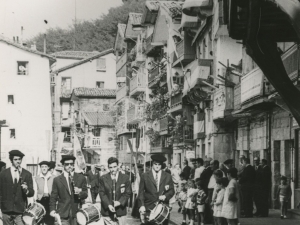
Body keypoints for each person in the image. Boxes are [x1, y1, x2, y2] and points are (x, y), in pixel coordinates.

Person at [49, 155, 88, 225]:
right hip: (63, 213)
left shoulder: (81, 177)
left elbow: (85, 194)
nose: (69, 166)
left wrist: (80, 192)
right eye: (67, 164)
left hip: (77, 213)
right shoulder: (57, 180)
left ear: (74, 164)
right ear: (63, 165)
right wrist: (52, 210)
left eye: (71, 164)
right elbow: (53, 197)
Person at [0, 150, 34, 225]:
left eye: (19, 159)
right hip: (6, 210)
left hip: (20, 211)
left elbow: (32, 192)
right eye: (15, 159)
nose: (18, 161)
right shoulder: (3, 174)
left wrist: (27, 190)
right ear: (11, 160)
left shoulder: (27, 174)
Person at [138, 154, 175, 225]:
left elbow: (172, 190)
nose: (157, 166)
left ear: (162, 165)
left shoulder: (167, 176)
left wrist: (165, 196)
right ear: (152, 164)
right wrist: (142, 205)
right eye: (155, 164)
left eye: (159, 164)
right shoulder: (145, 175)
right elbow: (141, 192)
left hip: (163, 208)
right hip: (149, 207)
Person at [99, 157, 131, 225]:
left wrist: (119, 202)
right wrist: (108, 205)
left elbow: (128, 193)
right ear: (108, 167)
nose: (113, 169)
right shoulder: (103, 178)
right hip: (107, 213)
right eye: (110, 167)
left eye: (114, 167)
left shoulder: (125, 178)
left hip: (121, 212)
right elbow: (102, 193)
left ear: (118, 166)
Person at [35, 161, 55, 225]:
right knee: (39, 219)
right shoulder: (37, 178)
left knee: (50, 219)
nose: (44, 168)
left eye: (45, 167)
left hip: (50, 200)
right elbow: (35, 190)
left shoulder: (53, 177)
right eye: (42, 167)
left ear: (48, 168)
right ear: (40, 168)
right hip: (40, 200)